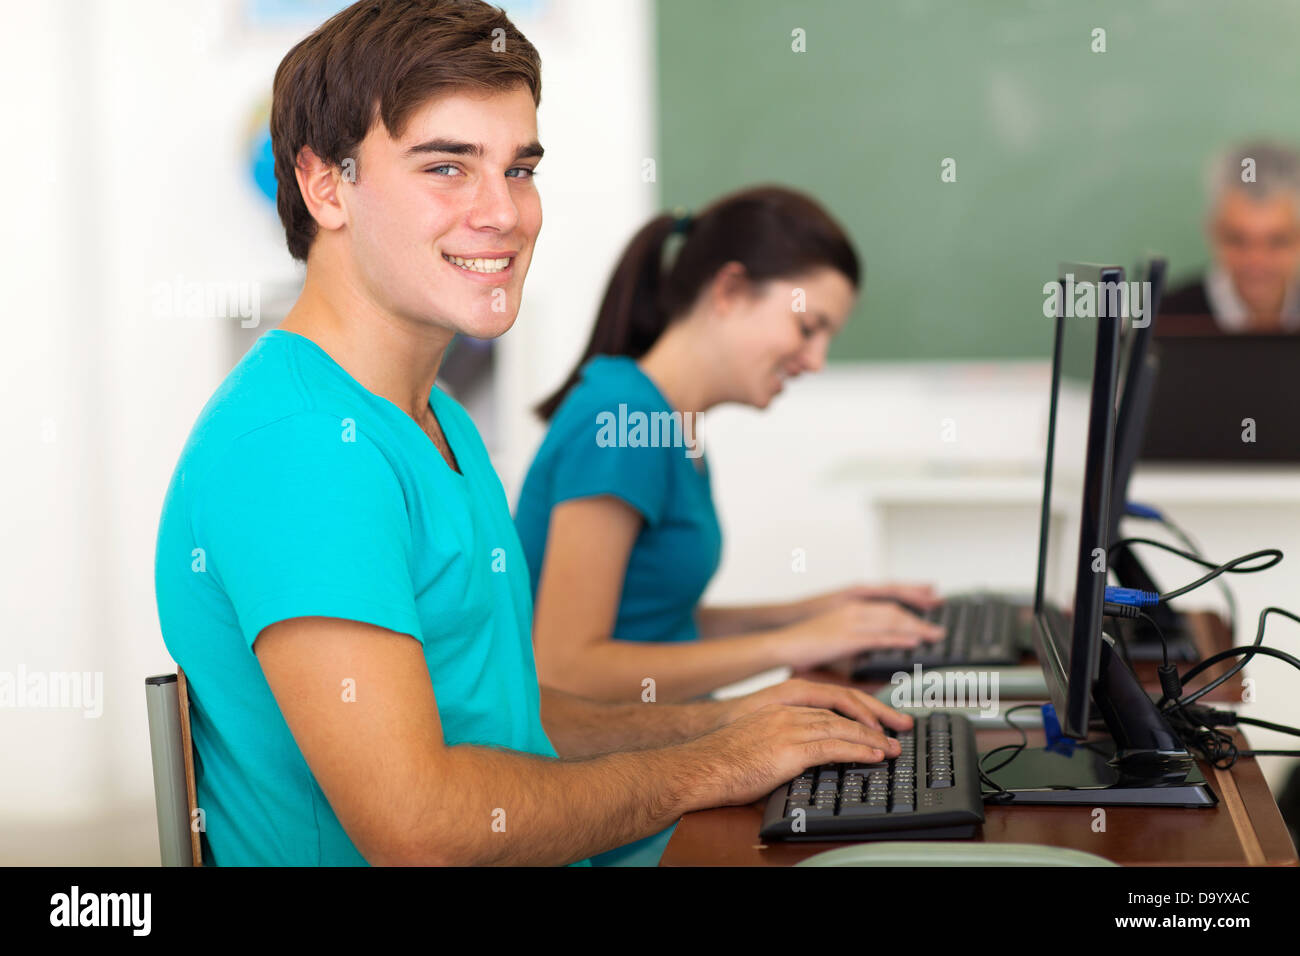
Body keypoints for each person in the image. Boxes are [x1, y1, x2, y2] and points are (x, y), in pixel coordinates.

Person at [153, 0, 912, 867]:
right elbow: (421, 829)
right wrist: (712, 763)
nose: (504, 214)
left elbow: (517, 714)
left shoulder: (438, 425)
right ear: (328, 186)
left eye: (519, 170)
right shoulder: (302, 451)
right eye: (447, 167)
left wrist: (737, 718)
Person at [514, 187, 944, 707]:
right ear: (731, 291)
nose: (816, 361)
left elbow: (654, 625)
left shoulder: (669, 422)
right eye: (808, 328)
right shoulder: (625, 419)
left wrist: (812, 614)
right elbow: (566, 669)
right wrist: (792, 643)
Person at [1161, 140, 1300, 333]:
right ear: (1213, 232)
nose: (1256, 260)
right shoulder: (1164, 319)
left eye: (1277, 241)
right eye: (1237, 240)